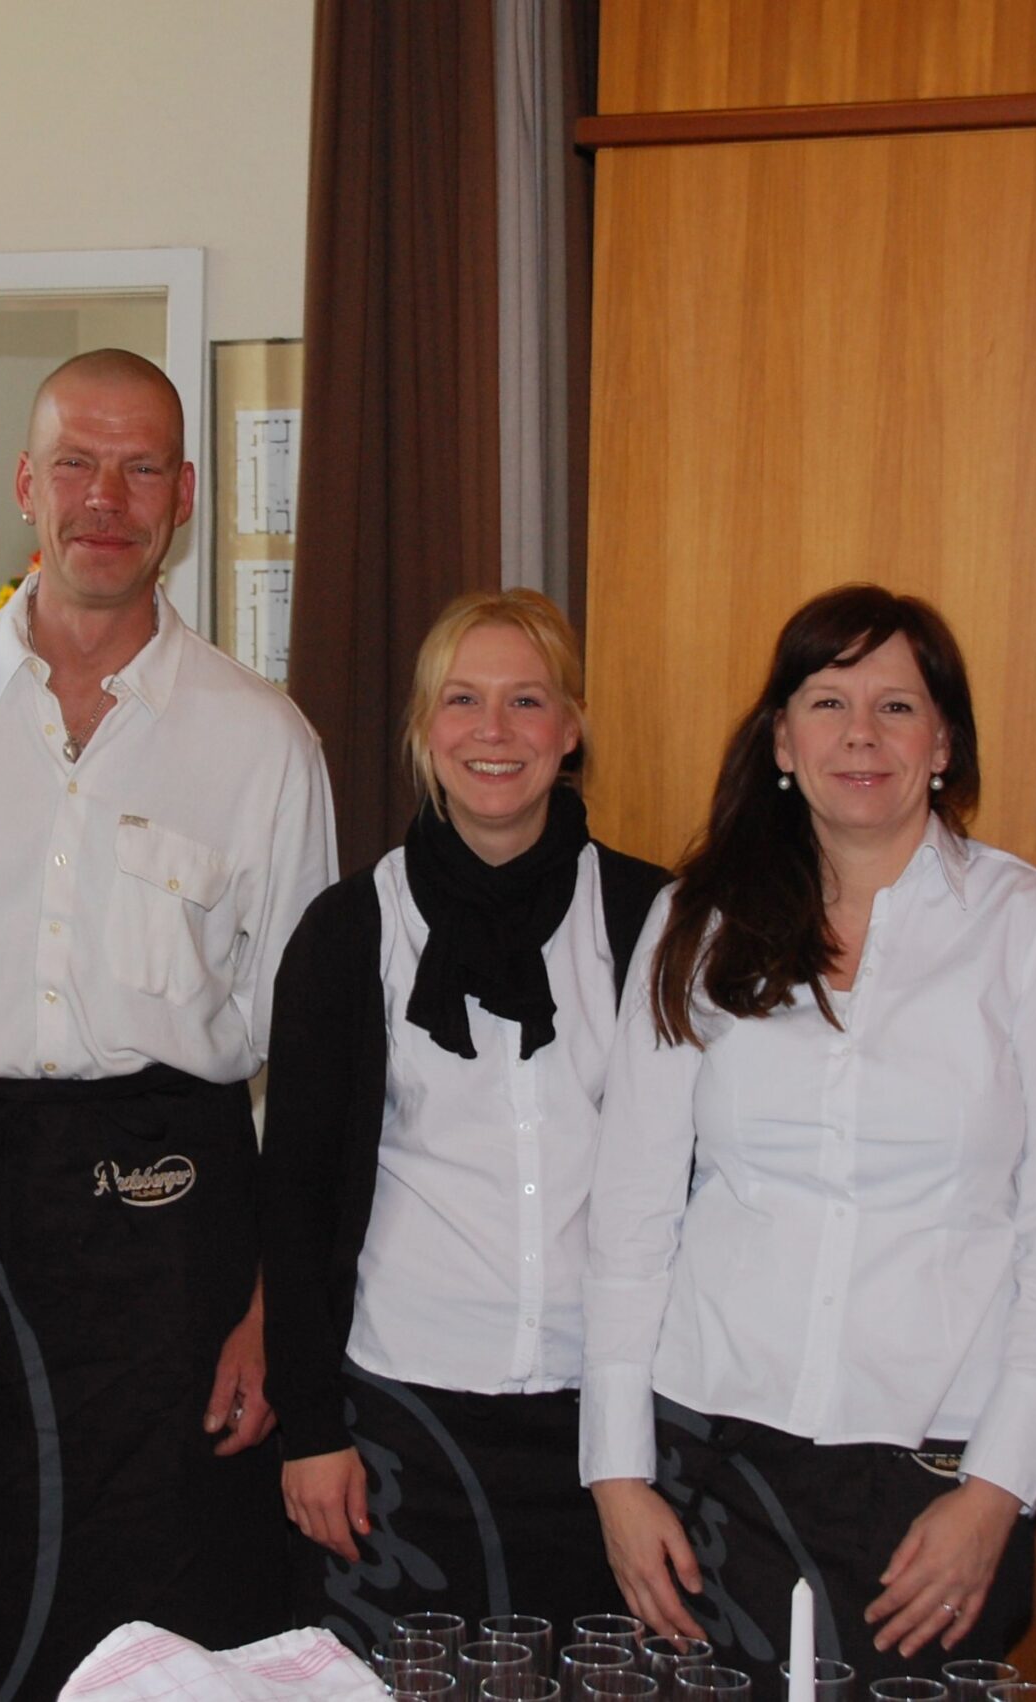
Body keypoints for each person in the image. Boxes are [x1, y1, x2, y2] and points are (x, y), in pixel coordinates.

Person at [0, 348, 337, 1701]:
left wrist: (273, 1314)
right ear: (25, 483)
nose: (104, 498)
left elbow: (315, 1069)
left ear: (184, 497)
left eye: (139, 468)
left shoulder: (263, 741)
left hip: (184, 1251)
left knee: (188, 1634)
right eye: (76, 463)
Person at [581, 585, 1036, 1689]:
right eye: (828, 702)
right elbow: (630, 1217)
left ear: (943, 744)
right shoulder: (697, 921)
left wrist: (997, 1494)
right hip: (709, 1454)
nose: (860, 735)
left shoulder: (1032, 930)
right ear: (782, 740)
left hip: (933, 1483)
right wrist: (617, 1476)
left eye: (896, 706)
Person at [261, 589, 668, 1650]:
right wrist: (309, 1431)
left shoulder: (655, 920)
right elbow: (294, 1202)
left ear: (570, 729)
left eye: (526, 700)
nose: (494, 731)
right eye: (462, 700)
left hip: (607, 1428)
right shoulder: (349, 930)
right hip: (400, 1420)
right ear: (423, 729)